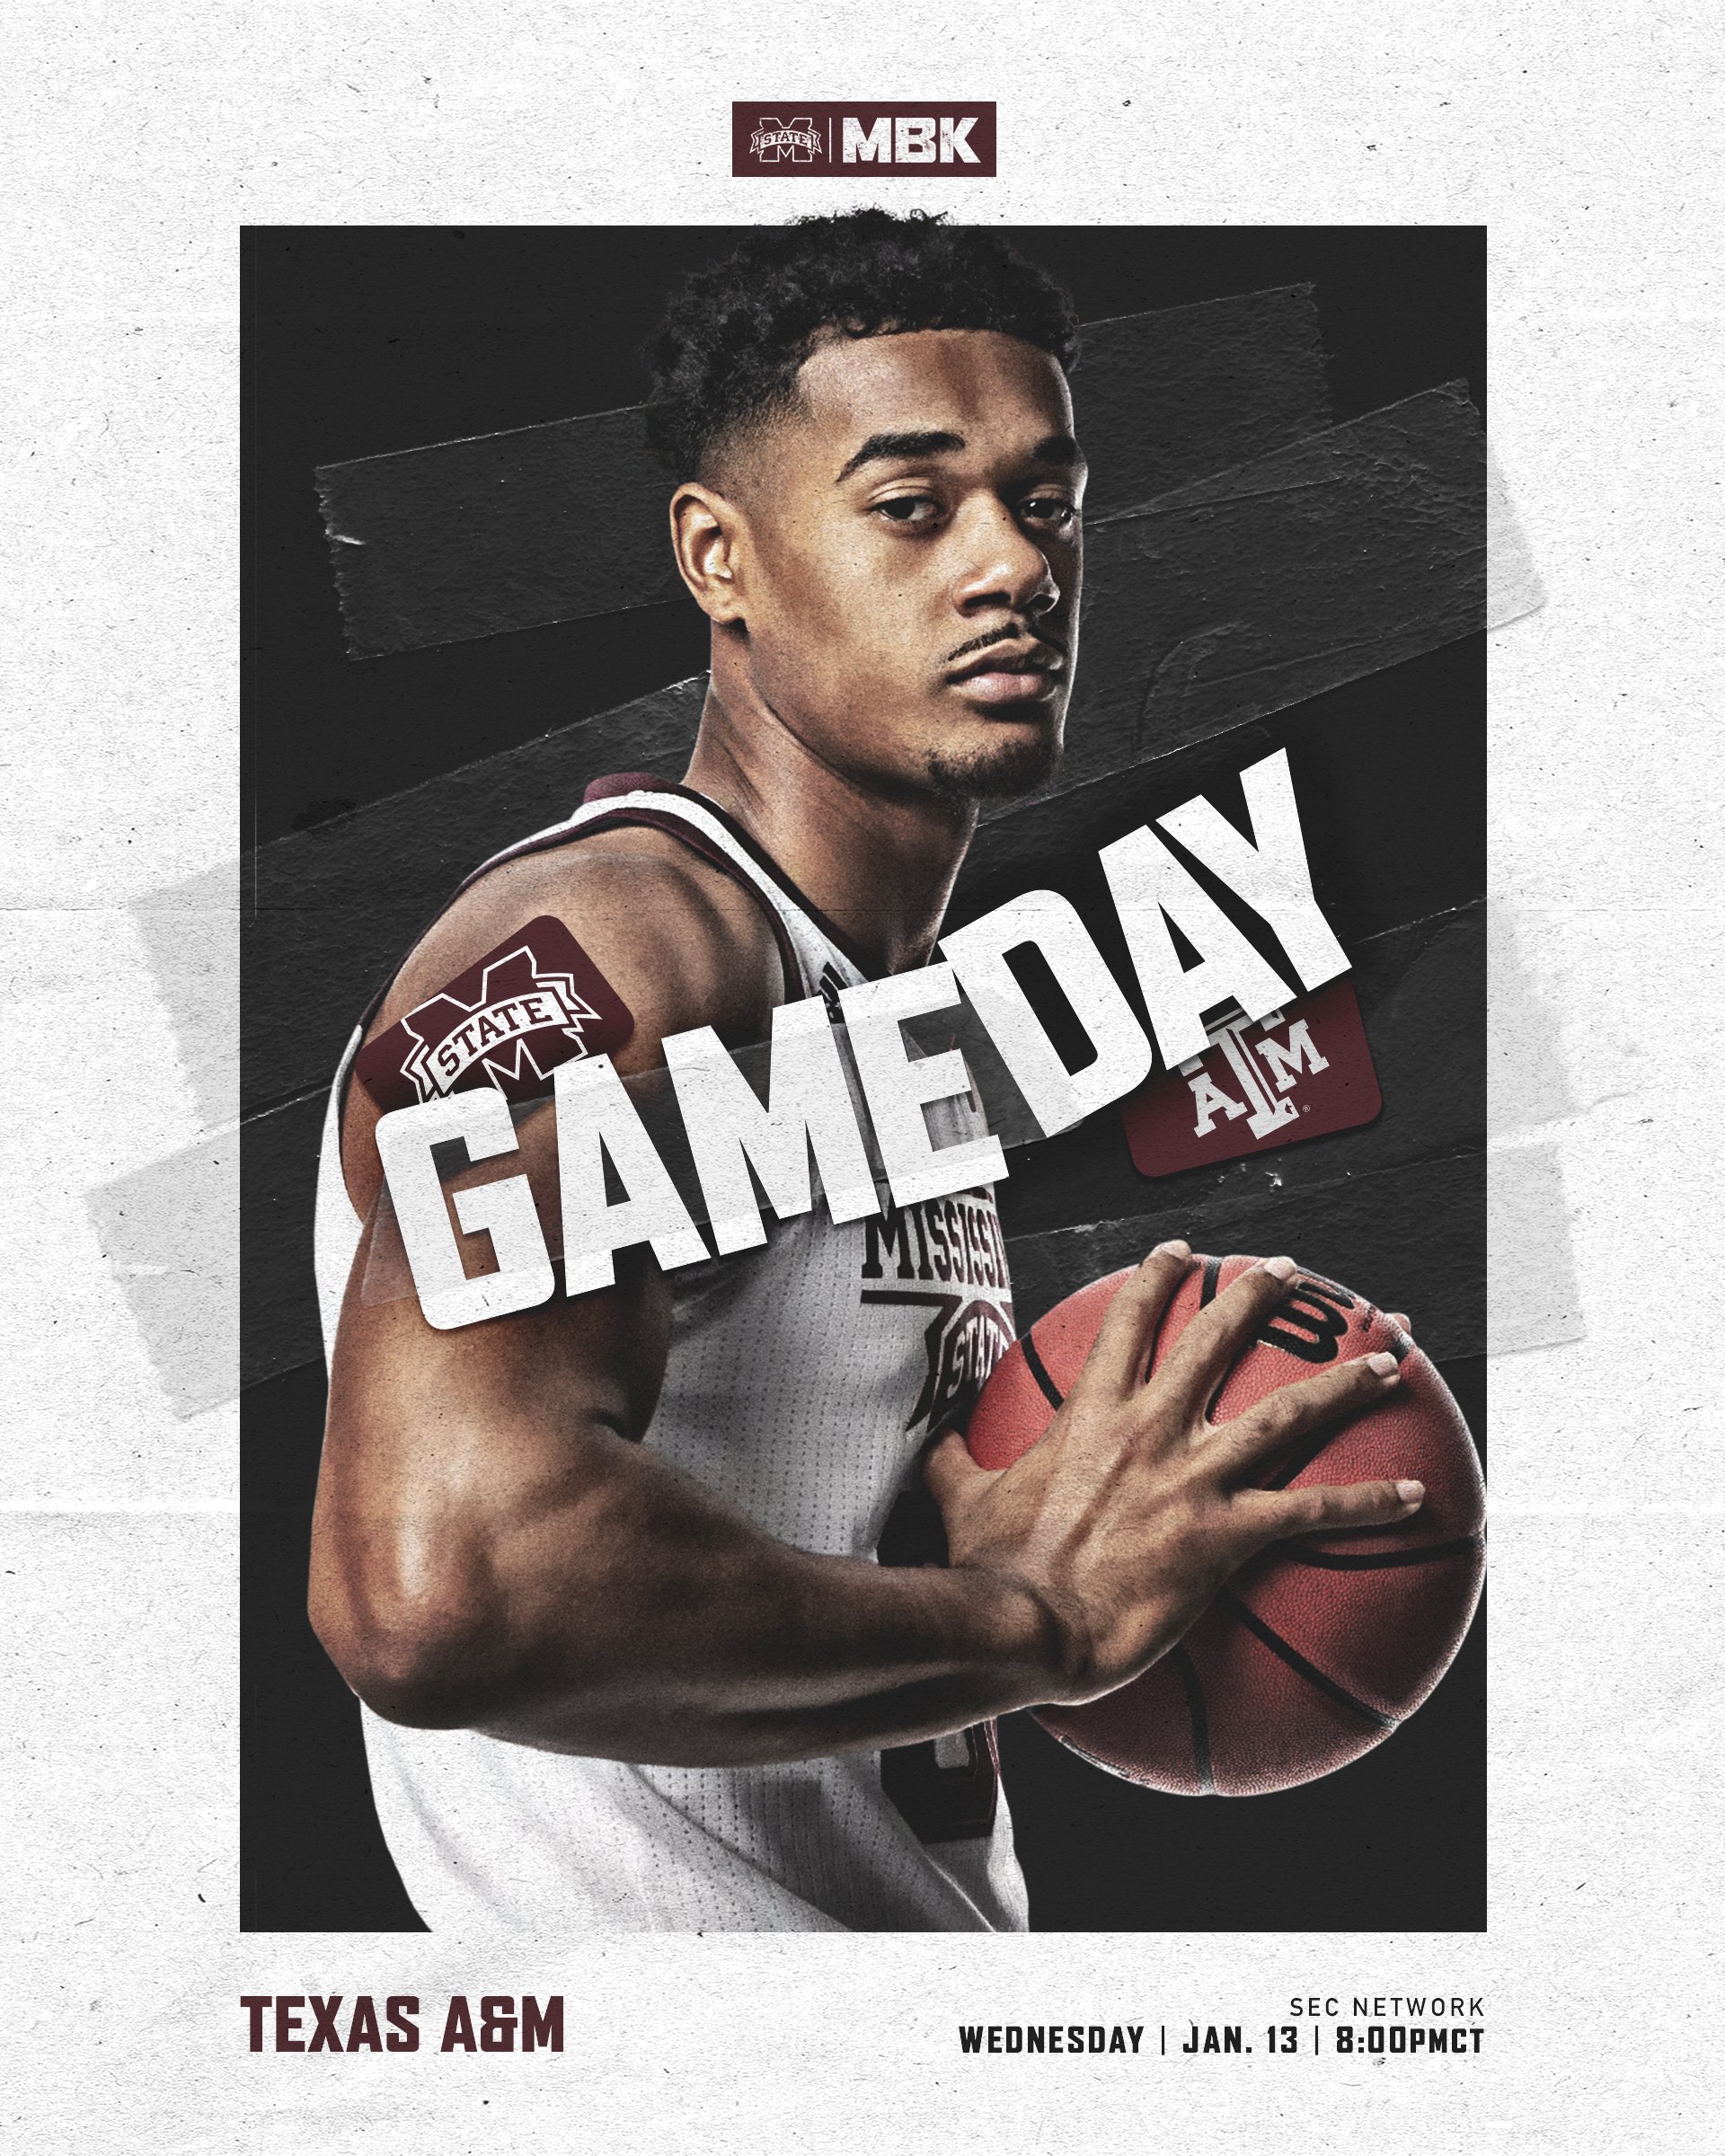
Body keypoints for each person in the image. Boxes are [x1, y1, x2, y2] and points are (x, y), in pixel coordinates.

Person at [308, 210, 1423, 1932]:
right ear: (719, 557)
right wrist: (1038, 1624)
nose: (1014, 567)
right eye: (914, 505)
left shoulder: (897, 1036)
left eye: (1044, 501)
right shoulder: (621, 944)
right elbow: (436, 1584)